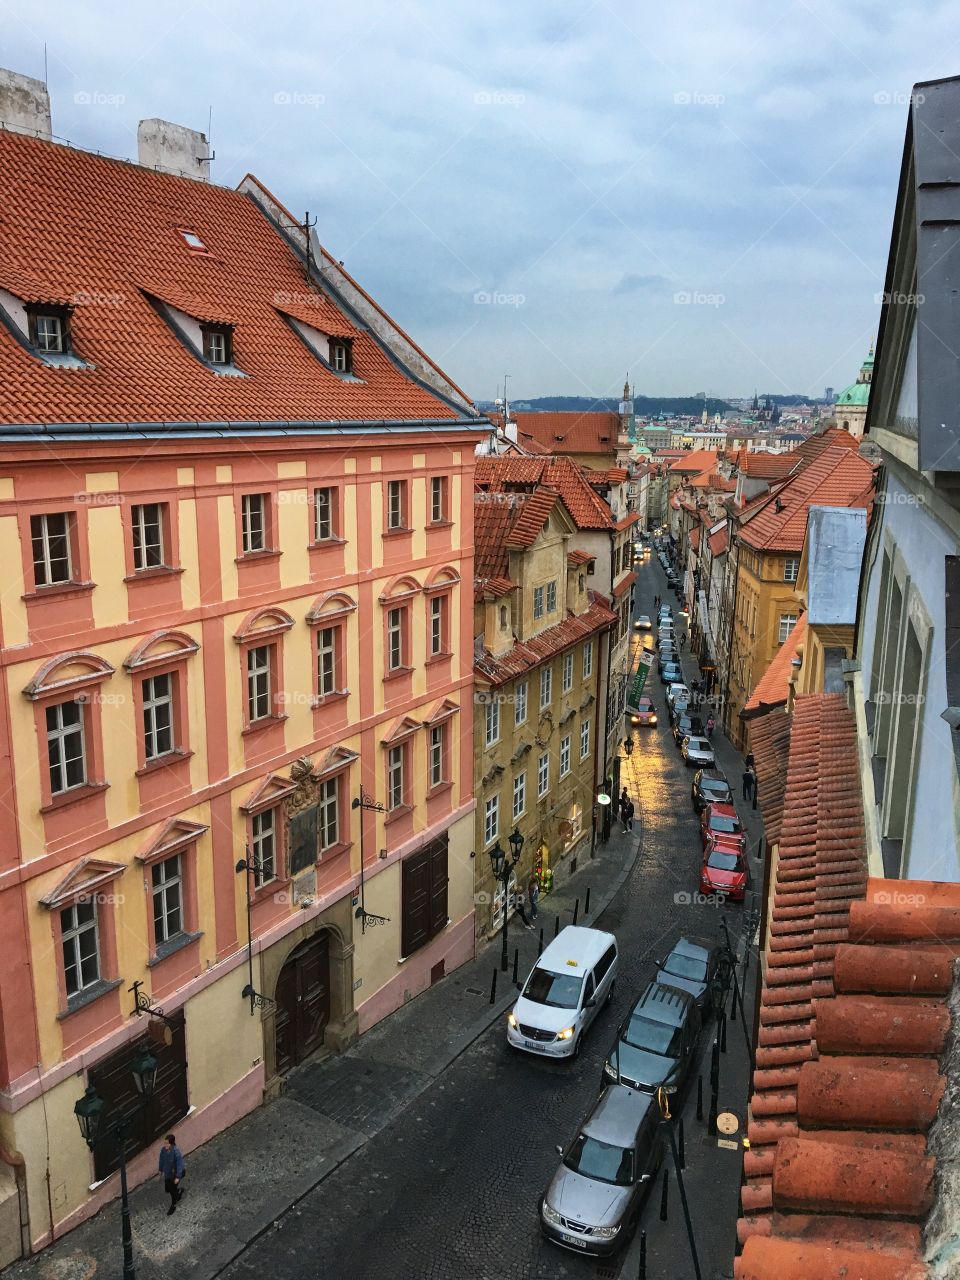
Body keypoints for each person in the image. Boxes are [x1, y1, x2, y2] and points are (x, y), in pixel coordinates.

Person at [158, 1134, 185, 1215]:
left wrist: (178, 1176)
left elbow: (180, 1164)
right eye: (165, 1143)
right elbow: (161, 1159)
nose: (165, 1145)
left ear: (171, 1144)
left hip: (175, 1174)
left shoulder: (176, 1152)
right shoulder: (163, 1150)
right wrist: (160, 1169)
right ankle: (179, 1191)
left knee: (172, 1190)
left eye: (167, 1143)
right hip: (168, 1173)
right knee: (168, 1189)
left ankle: (174, 1204)